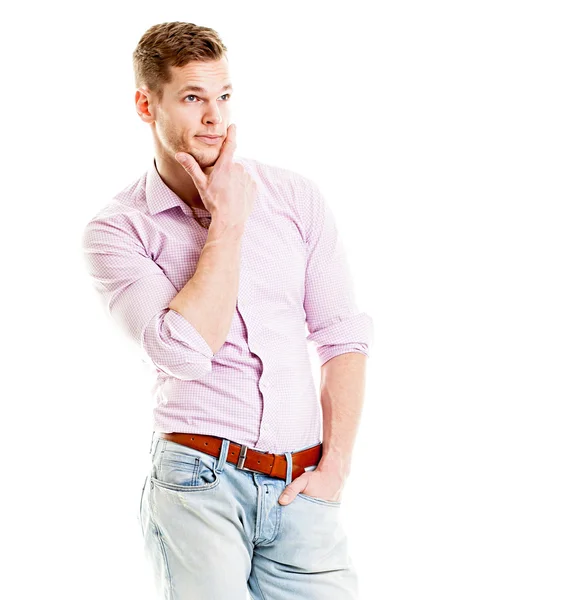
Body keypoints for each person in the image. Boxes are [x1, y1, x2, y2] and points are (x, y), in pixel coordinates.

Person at [81, 20, 374, 600]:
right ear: (147, 104)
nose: (215, 117)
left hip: (302, 489)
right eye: (193, 98)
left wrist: (334, 468)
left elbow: (342, 337)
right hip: (199, 484)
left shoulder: (294, 197)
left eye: (223, 96)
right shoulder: (117, 231)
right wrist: (229, 224)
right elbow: (185, 353)